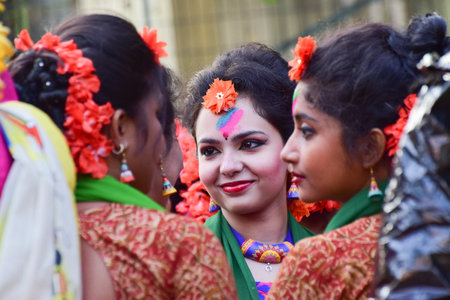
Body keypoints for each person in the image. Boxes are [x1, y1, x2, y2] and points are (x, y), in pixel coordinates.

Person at [9, 14, 236, 299]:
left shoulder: (18, 234)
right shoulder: (179, 247)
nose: (163, 135)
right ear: (121, 130)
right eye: (156, 115)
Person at [267, 13, 449, 299]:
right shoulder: (439, 233)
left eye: (306, 130)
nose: (286, 152)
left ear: (369, 148)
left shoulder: (319, 261)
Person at [182, 42, 314, 299]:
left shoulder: (332, 258)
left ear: (290, 147)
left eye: (250, 144)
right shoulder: (184, 262)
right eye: (210, 151)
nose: (229, 167)